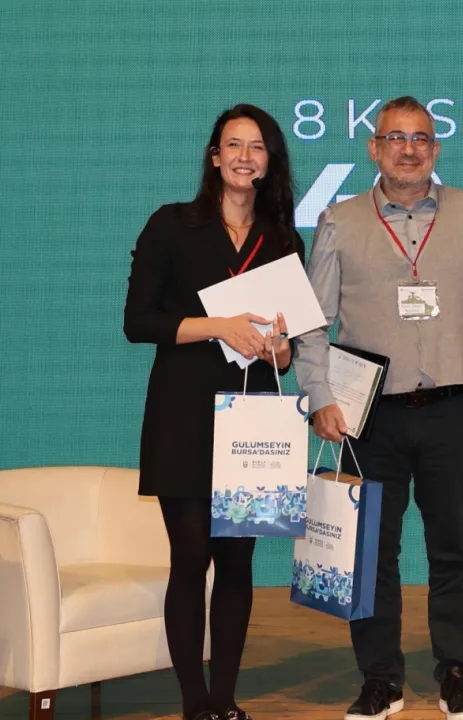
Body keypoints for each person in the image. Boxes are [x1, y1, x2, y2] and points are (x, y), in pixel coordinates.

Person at [292, 96, 463, 720]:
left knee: (454, 549)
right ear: (374, 148)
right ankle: (380, 680)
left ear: (435, 149)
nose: (408, 150)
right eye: (395, 138)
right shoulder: (339, 219)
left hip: (451, 410)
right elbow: (313, 321)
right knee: (372, 553)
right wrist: (320, 397)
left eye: (420, 139)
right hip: (369, 415)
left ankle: (457, 674)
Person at [124, 104, 303, 720]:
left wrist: (282, 349)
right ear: (214, 155)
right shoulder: (172, 225)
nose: (244, 157)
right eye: (234, 145)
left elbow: (288, 348)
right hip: (183, 415)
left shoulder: (283, 240)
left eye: (257, 147)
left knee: (237, 562)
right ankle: (193, 703)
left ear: (270, 162)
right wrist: (218, 325)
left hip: (253, 421)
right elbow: (138, 322)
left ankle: (224, 699)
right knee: (190, 558)